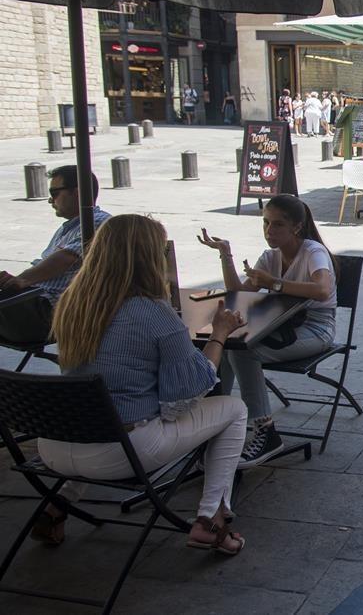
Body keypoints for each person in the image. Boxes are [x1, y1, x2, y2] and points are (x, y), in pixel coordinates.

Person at [40, 214, 248, 554]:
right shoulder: (153, 313)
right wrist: (220, 333)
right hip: (120, 450)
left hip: (56, 446)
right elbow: (192, 389)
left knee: (103, 409)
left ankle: (57, 504)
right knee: (234, 409)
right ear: (150, 256)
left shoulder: (72, 303)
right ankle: (211, 518)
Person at [198, 195, 337, 466]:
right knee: (226, 343)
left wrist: (275, 284)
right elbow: (238, 292)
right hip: (280, 326)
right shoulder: (270, 257)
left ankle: (266, 431)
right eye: (265, 223)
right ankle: (214, 421)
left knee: (242, 353)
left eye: (277, 225)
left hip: (316, 328)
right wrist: (226, 254)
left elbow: (322, 290)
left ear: (296, 227)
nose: (269, 231)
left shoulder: (312, 252)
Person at [0, 167, 111, 345]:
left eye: (55, 193)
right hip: (33, 302)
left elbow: (66, 258)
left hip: (49, 312)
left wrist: (21, 280)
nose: (50, 200)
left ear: (77, 193)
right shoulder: (69, 228)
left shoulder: (96, 222)